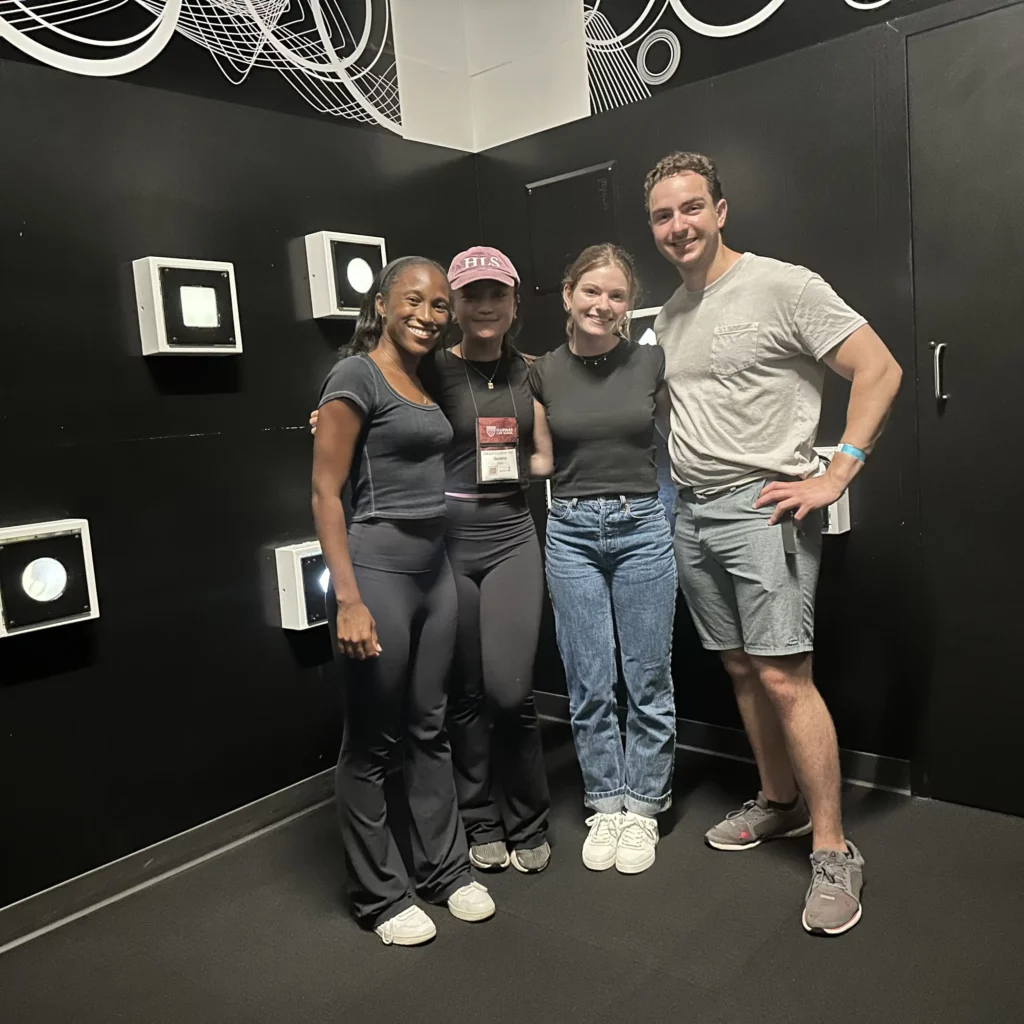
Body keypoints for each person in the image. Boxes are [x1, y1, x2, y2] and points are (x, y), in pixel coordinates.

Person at [645, 152, 903, 935]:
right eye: (663, 215)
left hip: (764, 512)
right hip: (692, 512)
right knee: (739, 668)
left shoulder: (783, 284)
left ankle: (833, 848)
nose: (679, 225)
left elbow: (880, 368)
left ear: (720, 211)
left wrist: (838, 471)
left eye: (692, 208)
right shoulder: (667, 317)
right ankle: (780, 801)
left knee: (787, 678)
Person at [312, 255, 496, 947]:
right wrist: (349, 601)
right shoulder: (354, 374)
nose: (428, 313)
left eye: (440, 304)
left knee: (430, 725)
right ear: (384, 304)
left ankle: (444, 869)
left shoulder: (419, 382)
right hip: (378, 569)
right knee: (371, 740)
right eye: (414, 300)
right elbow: (325, 494)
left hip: (434, 571)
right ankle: (380, 894)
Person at [529, 243, 677, 876]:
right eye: (592, 291)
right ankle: (605, 802)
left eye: (617, 295)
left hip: (643, 525)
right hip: (570, 533)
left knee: (647, 675)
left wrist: (663, 514)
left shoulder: (651, 362)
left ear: (628, 304)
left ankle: (641, 807)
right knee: (589, 680)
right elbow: (536, 459)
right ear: (568, 295)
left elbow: (680, 442)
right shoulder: (541, 373)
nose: (603, 304)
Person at [426, 247, 554, 875]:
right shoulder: (427, 371)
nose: (484, 306)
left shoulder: (532, 372)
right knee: (467, 692)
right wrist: (328, 412)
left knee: (511, 691)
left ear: (513, 304)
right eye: (471, 295)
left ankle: (528, 816)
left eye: (495, 294)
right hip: (449, 542)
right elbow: (370, 400)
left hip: (511, 537)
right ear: (453, 306)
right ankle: (480, 818)